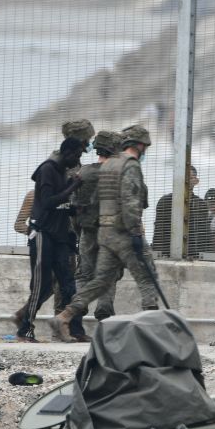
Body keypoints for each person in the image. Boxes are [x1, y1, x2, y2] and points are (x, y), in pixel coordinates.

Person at [50, 125, 159, 340]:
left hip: (97, 231)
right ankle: (153, 327)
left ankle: (65, 315)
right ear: (139, 145)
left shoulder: (94, 170)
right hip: (123, 230)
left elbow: (88, 203)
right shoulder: (127, 166)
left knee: (98, 279)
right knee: (147, 276)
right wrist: (135, 233)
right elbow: (134, 201)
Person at [17, 138, 84, 343]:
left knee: (68, 285)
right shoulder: (47, 170)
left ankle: (74, 329)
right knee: (41, 285)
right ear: (67, 152)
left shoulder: (63, 173)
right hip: (43, 235)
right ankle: (25, 329)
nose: (79, 159)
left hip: (60, 238)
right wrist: (72, 187)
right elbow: (47, 202)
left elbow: (61, 206)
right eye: (77, 154)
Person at [73, 130, 121, 320]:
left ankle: (80, 304)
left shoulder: (83, 172)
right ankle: (104, 307)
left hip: (87, 230)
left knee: (83, 273)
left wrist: (80, 230)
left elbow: (74, 204)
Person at [150, 163, 212, 256]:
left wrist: (203, 256)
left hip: (194, 256)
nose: (185, 181)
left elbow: (205, 236)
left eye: (190, 178)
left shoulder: (201, 205)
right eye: (183, 178)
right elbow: (159, 233)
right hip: (167, 254)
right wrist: (159, 255)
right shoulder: (165, 202)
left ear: (196, 181)